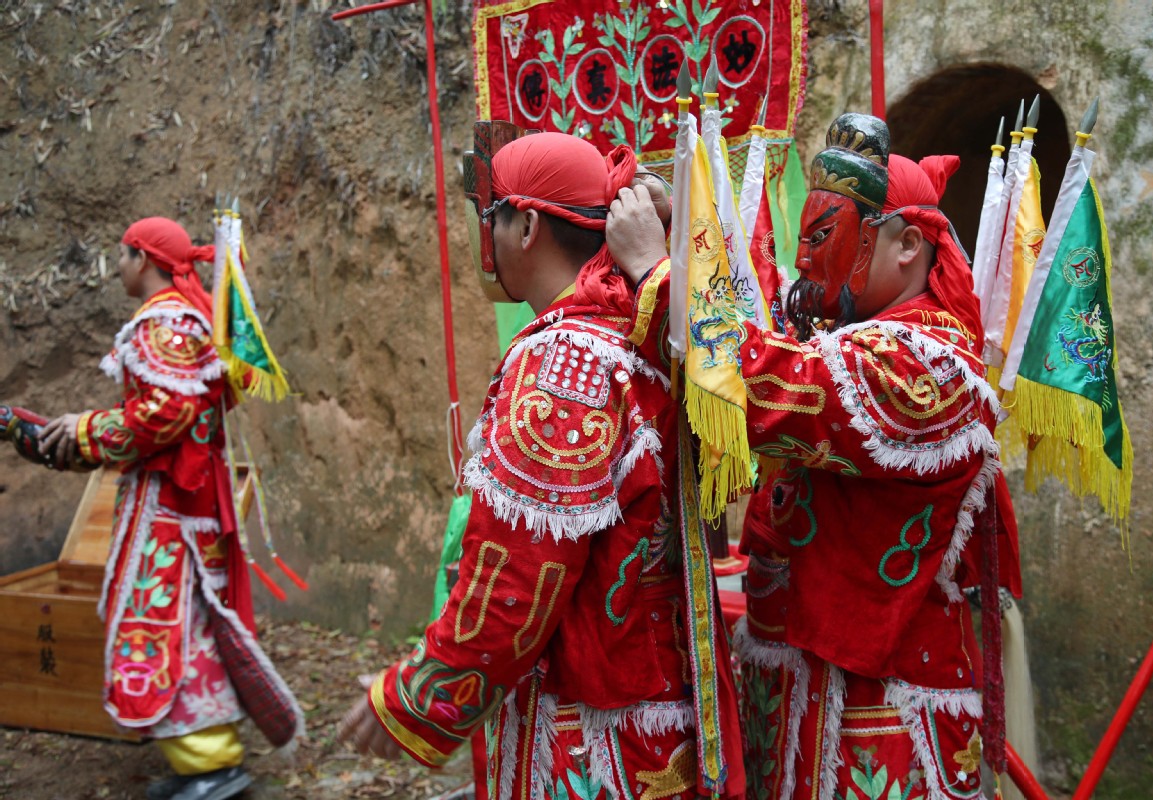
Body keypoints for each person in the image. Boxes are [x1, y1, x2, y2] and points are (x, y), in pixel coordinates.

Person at [606, 114, 1021, 800]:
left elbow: (768, 383)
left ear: (909, 245)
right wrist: (687, 230)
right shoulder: (858, 340)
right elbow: (773, 346)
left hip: (885, 721)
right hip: (812, 701)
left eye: (824, 239)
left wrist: (658, 269)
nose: (803, 262)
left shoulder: (928, 367)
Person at [337, 129, 745, 799]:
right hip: (662, 707)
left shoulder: (564, 361)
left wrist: (417, 695)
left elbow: (521, 577)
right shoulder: (639, 331)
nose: (484, 237)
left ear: (525, 225)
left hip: (594, 736)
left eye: (489, 215)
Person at [37, 217, 301, 800]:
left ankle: (213, 767)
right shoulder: (184, 318)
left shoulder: (165, 324)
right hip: (180, 501)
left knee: (168, 622)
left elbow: (166, 413)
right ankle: (201, 762)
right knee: (186, 621)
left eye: (124, 256)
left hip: (173, 507)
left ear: (142, 258)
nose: (120, 268)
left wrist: (85, 431)